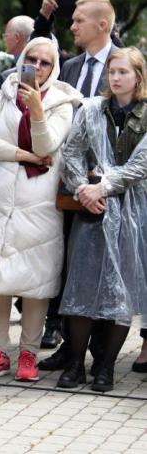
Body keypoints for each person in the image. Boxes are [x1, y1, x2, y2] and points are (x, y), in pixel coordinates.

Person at [0, 37, 80, 381]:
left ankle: (29, 353)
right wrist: (26, 156)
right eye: (30, 58)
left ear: (54, 66)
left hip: (39, 201)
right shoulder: (3, 93)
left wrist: (36, 110)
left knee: (36, 277)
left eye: (44, 62)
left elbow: (48, 143)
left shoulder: (64, 101)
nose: (36, 66)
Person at [56, 47, 147, 392]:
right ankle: (76, 364)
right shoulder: (92, 108)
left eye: (123, 71)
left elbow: (141, 165)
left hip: (132, 212)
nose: (116, 77)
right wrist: (82, 189)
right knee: (80, 285)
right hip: (92, 210)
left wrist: (102, 187)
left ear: (138, 76)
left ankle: (106, 367)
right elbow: (73, 151)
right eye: (112, 71)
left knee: (120, 293)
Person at [36, 0, 118, 372]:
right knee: (69, 268)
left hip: (109, 190)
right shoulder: (68, 67)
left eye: (78, 20)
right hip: (68, 185)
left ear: (103, 25)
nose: (71, 26)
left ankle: (102, 353)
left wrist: (103, 183)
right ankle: (72, 348)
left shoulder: (124, 64)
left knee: (104, 270)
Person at [0, 15, 35, 95]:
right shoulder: (43, 70)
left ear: (17, 38)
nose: (4, 39)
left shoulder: (23, 70)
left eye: (6, 36)